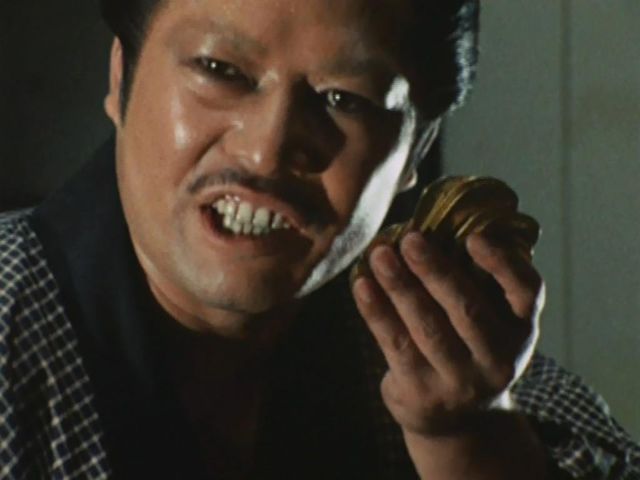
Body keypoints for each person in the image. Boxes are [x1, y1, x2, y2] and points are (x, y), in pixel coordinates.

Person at [0, 0, 638, 478]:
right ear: (121, 77)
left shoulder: (458, 373)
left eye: (344, 99)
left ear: (417, 146)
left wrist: (468, 440)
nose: (268, 149)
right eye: (221, 70)